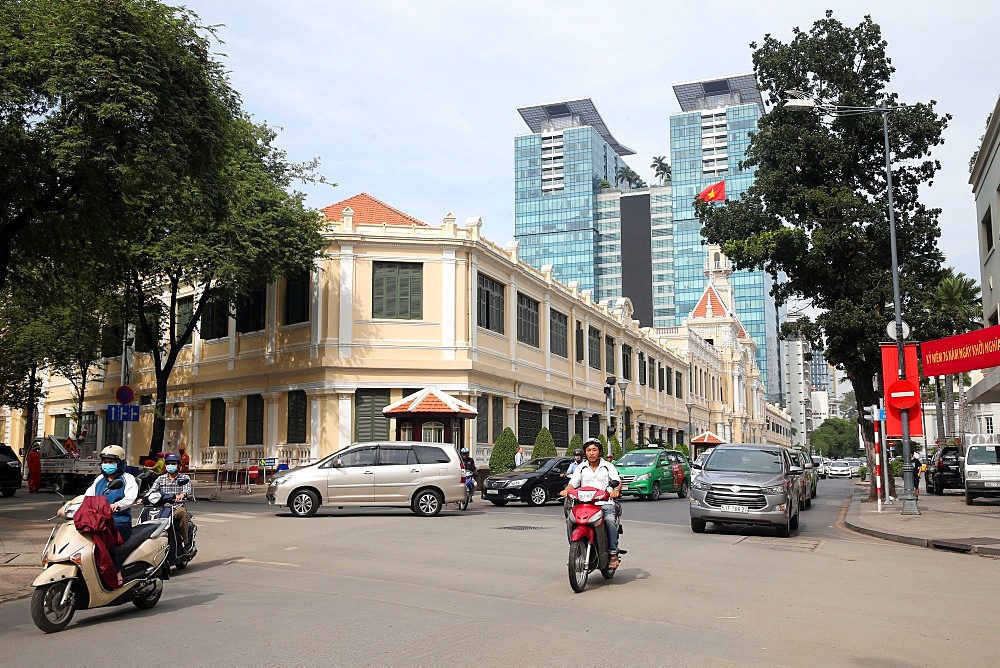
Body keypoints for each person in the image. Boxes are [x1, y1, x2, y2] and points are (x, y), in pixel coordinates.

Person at [560, 438, 622, 568]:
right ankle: (574, 548)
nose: (591, 453)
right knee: (569, 521)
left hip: (604, 503)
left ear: (599, 451)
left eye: (594, 450)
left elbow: (617, 481)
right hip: (584, 504)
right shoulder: (581, 467)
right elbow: (573, 484)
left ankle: (612, 552)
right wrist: (566, 491)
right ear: (585, 453)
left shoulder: (608, 466)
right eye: (588, 450)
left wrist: (615, 490)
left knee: (610, 521)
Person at [84, 445, 139, 581]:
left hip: (120, 522)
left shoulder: (127, 478)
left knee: (105, 535)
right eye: (104, 462)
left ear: (119, 462)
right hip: (99, 521)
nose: (107, 465)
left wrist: (118, 505)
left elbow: (131, 497)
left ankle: (116, 571)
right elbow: (87, 497)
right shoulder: (99, 480)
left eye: (111, 462)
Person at [140, 453, 192, 548]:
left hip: (176, 506)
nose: (170, 466)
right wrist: (144, 498)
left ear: (179, 465)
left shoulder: (184, 478)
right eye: (168, 463)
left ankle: (186, 541)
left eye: (173, 463)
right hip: (161, 507)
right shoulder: (160, 478)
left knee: (182, 515)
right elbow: (152, 490)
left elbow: (187, 489)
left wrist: (182, 495)